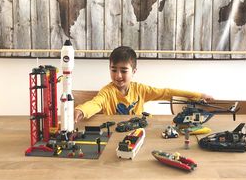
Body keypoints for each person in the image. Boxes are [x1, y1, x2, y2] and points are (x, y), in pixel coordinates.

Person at [74, 46, 213, 123]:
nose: (118, 75)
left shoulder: (140, 90)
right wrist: (82, 110)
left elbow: (167, 93)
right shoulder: (107, 92)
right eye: (113, 70)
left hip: (137, 133)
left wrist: (199, 95)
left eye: (123, 70)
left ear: (134, 71)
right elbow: (95, 103)